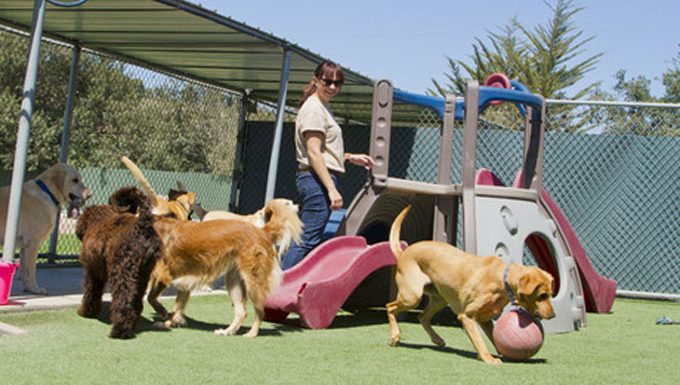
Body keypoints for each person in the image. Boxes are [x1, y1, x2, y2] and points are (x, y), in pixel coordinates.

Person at [281, 60, 374, 270]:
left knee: (308, 238)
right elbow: (313, 153)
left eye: (337, 83)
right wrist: (331, 190)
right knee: (307, 239)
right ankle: (279, 291)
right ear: (316, 80)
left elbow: (323, 151)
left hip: (318, 178)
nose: (332, 87)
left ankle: (287, 289)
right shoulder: (314, 109)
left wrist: (349, 157)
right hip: (316, 180)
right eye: (327, 81)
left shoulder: (323, 107)